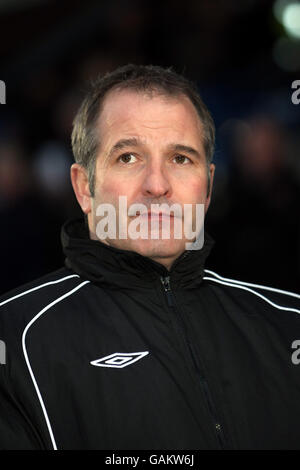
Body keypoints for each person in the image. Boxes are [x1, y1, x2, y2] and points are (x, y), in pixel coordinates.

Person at [0, 64, 299, 450]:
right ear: (83, 188)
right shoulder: (14, 340)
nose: (157, 185)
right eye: (128, 157)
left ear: (207, 188)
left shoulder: (287, 324)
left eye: (180, 159)